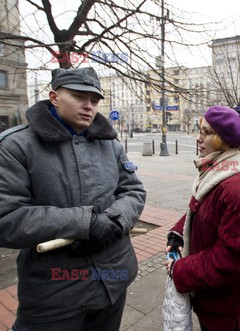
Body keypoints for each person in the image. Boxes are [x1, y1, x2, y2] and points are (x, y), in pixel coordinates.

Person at [0, 67, 146, 330]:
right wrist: (83, 223)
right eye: (79, 97)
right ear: (54, 97)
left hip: (113, 278)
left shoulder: (110, 143)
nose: (89, 106)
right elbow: (7, 217)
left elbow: (133, 191)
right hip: (54, 293)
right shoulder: (16, 146)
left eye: (94, 100)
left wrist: (115, 219)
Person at [165, 105, 240, 331]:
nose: (198, 139)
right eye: (200, 131)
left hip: (228, 310)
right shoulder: (217, 172)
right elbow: (200, 209)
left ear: (224, 139)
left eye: (207, 133)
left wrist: (179, 270)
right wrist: (178, 233)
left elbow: (232, 258)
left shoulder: (236, 188)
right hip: (213, 301)